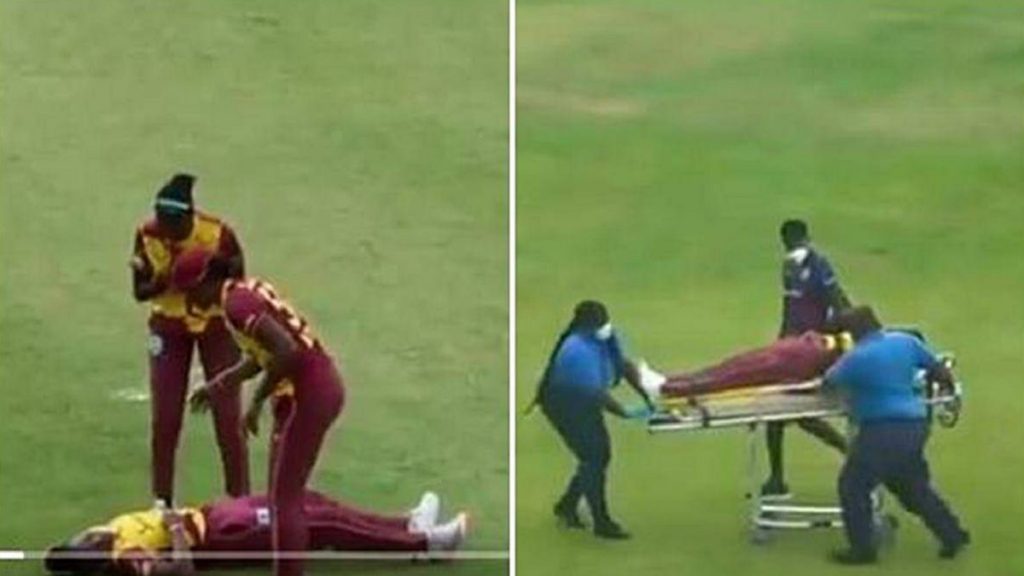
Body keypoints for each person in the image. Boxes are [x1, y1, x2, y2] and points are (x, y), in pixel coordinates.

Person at [174, 249, 343, 576]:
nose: (189, 299)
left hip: (309, 393)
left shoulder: (236, 305)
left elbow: (285, 351)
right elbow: (261, 355)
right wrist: (220, 383)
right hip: (317, 386)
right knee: (284, 496)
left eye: (190, 290)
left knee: (285, 499)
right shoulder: (241, 294)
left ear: (207, 281)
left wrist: (256, 401)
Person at [130, 173, 249, 507]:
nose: (166, 230)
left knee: (227, 413)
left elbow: (238, 282)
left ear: (189, 217)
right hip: (168, 325)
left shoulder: (217, 234)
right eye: (161, 221)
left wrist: (207, 274)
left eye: (173, 224)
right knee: (165, 416)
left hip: (215, 324)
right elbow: (139, 291)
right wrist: (165, 280)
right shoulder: (147, 234)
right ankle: (162, 503)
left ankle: (240, 500)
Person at [824, 306, 969, 565]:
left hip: (882, 429)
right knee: (911, 487)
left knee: (853, 486)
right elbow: (938, 369)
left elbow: (829, 383)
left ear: (852, 334)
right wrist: (947, 390)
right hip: (914, 424)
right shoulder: (905, 342)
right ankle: (953, 534)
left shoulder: (856, 358)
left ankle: (862, 550)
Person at [43, 490, 468, 575]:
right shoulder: (125, 556)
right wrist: (173, 528)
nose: (86, 536)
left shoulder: (103, 532)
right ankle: (428, 544)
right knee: (316, 526)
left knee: (310, 500)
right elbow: (181, 568)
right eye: (84, 544)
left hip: (215, 512)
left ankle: (405, 525)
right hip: (222, 535)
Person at [530, 300, 653, 540]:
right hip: (563, 404)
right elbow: (596, 394)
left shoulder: (605, 336)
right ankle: (601, 521)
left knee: (595, 457)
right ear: (586, 325)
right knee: (595, 456)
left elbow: (624, 365)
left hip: (582, 400)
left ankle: (567, 505)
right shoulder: (576, 351)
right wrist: (624, 412)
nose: (604, 326)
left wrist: (646, 395)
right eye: (600, 323)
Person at [763, 219, 851, 499]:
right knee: (777, 414)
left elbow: (836, 301)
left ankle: (849, 451)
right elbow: (796, 308)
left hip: (809, 348)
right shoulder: (794, 266)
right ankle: (776, 478)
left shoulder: (812, 264)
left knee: (791, 411)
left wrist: (844, 334)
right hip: (793, 346)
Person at [643, 330, 853, 400]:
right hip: (777, 363)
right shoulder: (828, 356)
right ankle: (666, 386)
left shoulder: (823, 341)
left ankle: (667, 384)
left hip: (776, 355)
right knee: (723, 378)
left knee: (722, 373)